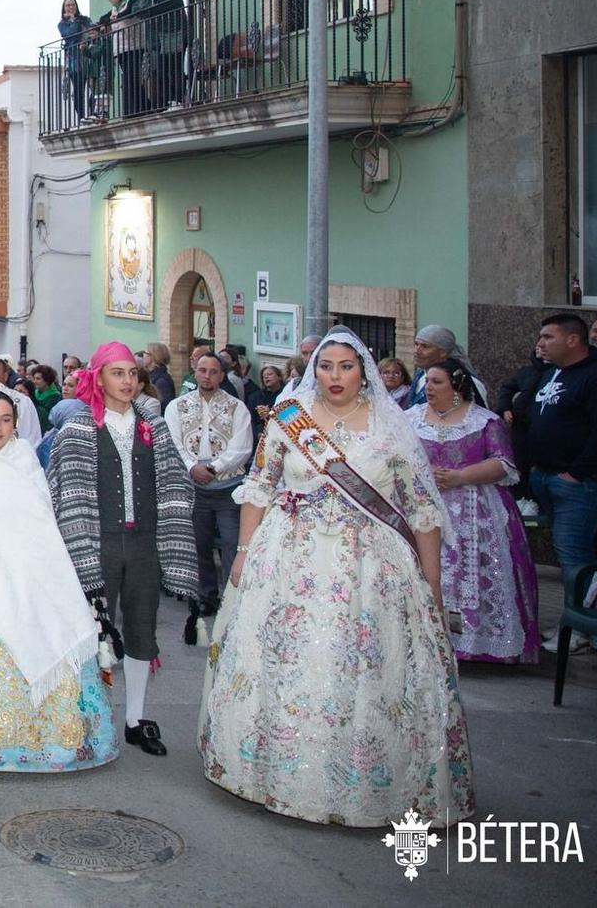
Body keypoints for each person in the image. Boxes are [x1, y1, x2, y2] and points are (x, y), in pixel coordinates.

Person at [201, 328, 475, 828]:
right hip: (289, 558)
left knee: (365, 667)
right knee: (287, 659)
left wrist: (431, 587)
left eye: (346, 366)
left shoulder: (392, 430)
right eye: (326, 366)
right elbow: (259, 487)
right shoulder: (289, 421)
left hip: (371, 567)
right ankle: (277, 772)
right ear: (313, 370)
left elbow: (421, 511)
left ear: (363, 371)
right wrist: (242, 553)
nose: (335, 376)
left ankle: (361, 780)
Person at [0, 391, 116, 773]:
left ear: (16, 422)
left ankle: (46, 738)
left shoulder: (26, 457)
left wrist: (28, 560)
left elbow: (40, 516)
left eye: (5, 420)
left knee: (48, 626)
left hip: (29, 567)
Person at [46, 342, 196, 757]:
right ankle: (84, 717)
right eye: (117, 373)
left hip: (144, 543)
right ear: (98, 378)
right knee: (89, 633)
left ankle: (135, 720)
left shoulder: (155, 426)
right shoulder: (76, 429)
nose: (127, 381)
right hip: (97, 543)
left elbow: (174, 479)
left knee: (141, 632)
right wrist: (79, 548)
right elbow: (64, 494)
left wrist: (173, 531)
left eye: (132, 373)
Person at [409, 362, 538, 664]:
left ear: (457, 386)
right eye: (427, 381)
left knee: (474, 571)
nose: (428, 387)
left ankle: (476, 640)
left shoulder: (484, 421)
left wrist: (460, 477)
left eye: (437, 382)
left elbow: (505, 463)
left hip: (476, 509)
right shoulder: (410, 420)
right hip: (425, 508)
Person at [522, 312, 597, 607]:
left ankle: (580, 627)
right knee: (566, 553)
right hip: (546, 476)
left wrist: (576, 473)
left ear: (573, 339)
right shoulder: (552, 372)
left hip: (581, 485)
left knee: (574, 556)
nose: (541, 343)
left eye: (548, 337)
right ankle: (569, 621)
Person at [164, 352, 253, 647]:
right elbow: (173, 441)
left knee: (231, 542)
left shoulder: (236, 408)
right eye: (203, 370)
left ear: (222, 375)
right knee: (199, 543)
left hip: (227, 486)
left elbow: (242, 447)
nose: (207, 376)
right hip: (194, 485)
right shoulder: (178, 407)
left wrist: (215, 468)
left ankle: (232, 596)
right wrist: (193, 468)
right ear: (195, 371)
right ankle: (205, 596)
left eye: (214, 372)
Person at [103, 0, 144, 118]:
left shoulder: (131, 0)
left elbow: (129, 13)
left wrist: (116, 17)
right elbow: (105, 18)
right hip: (121, 49)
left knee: (132, 79)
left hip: (134, 46)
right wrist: (98, 25)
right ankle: (135, 109)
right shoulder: (116, 7)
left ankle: (142, 108)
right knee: (128, 81)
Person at [57, 0, 93, 123]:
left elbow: (91, 31)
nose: (70, 7)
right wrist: (73, 20)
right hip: (73, 60)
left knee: (93, 86)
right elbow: (71, 33)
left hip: (87, 56)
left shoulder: (84, 20)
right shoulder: (62, 24)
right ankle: (82, 117)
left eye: (72, 5)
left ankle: (93, 112)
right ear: (64, 9)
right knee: (78, 89)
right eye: (67, 5)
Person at [27, 366, 62, 432]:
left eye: (38, 379)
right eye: (34, 378)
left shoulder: (56, 396)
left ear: (47, 380)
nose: (34, 381)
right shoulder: (34, 393)